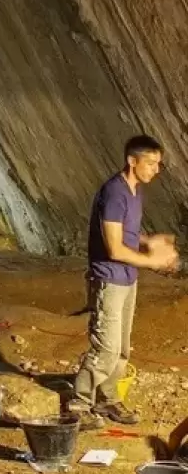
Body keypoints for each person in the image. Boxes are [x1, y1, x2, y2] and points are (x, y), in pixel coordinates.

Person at [68, 135, 179, 430]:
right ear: (132, 160)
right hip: (108, 279)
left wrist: (149, 241)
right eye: (151, 163)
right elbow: (115, 249)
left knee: (122, 349)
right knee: (105, 347)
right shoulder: (114, 192)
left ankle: (107, 398)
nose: (156, 169)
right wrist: (154, 261)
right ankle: (79, 403)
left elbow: (125, 231)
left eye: (159, 163)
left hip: (127, 279)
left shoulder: (134, 191)